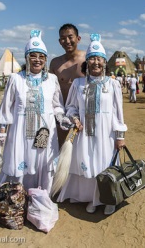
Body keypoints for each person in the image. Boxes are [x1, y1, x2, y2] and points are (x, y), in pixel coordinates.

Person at [57, 33, 127, 215]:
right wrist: (74, 118)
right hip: (84, 133)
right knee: (87, 163)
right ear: (86, 62)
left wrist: (120, 136)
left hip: (107, 134)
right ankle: (92, 198)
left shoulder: (113, 85)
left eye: (99, 59)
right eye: (92, 59)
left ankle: (109, 200)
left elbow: (119, 114)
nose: (96, 62)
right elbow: (71, 107)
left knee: (105, 166)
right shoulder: (78, 84)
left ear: (105, 62)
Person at [0, 30, 65, 192]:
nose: (37, 60)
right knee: (20, 164)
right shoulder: (15, 79)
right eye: (33, 55)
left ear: (46, 59)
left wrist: (62, 118)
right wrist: (2, 132)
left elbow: (57, 106)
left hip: (45, 133)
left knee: (43, 165)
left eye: (41, 56)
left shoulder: (52, 80)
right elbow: (6, 108)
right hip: (20, 133)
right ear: (27, 57)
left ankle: (41, 198)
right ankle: (18, 199)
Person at [49, 23, 86, 146]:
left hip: (83, 115)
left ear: (78, 38)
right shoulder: (55, 63)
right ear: (60, 41)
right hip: (61, 115)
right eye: (63, 38)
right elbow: (49, 89)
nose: (67, 41)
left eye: (70, 37)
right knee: (61, 148)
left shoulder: (88, 59)